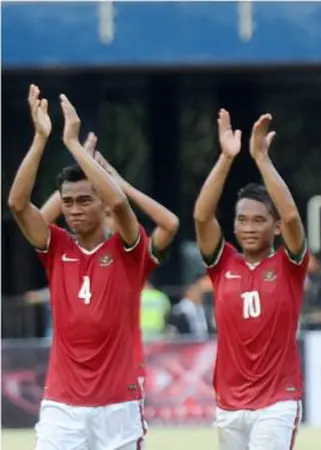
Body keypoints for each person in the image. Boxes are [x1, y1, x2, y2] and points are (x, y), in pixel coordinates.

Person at [8, 86, 151, 449]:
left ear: (100, 203)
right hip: (62, 406)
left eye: (84, 201)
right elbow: (18, 204)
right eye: (67, 202)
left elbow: (118, 201)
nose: (74, 209)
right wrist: (42, 138)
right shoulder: (56, 248)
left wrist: (73, 145)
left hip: (119, 405)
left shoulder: (127, 249)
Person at [193, 109, 307, 450]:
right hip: (229, 402)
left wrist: (261, 159)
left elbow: (290, 215)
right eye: (242, 220)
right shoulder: (222, 261)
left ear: (274, 228)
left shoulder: (290, 264)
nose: (249, 227)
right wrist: (227, 157)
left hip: (277, 401)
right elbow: (201, 216)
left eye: (259, 221)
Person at [39, 134, 179, 393]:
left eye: (110, 214)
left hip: (123, 368)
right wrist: (81, 171)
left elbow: (170, 223)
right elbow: (38, 220)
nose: (108, 220)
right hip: (76, 377)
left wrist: (120, 184)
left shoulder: (133, 253)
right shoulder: (71, 249)